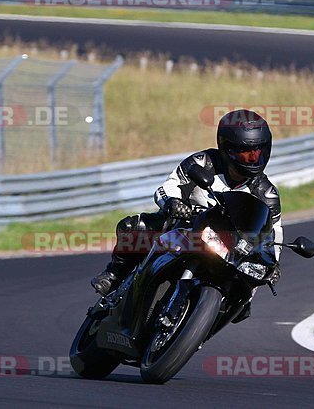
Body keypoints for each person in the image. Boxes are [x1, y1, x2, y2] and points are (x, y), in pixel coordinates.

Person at [91, 109, 284, 320]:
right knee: (134, 227)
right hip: (185, 227)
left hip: (229, 248)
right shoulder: (203, 162)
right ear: (226, 148)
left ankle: (209, 320)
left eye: (259, 152)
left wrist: (272, 263)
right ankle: (114, 274)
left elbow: (273, 233)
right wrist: (173, 203)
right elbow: (169, 186)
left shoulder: (267, 194)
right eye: (246, 153)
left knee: (247, 293)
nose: (253, 159)